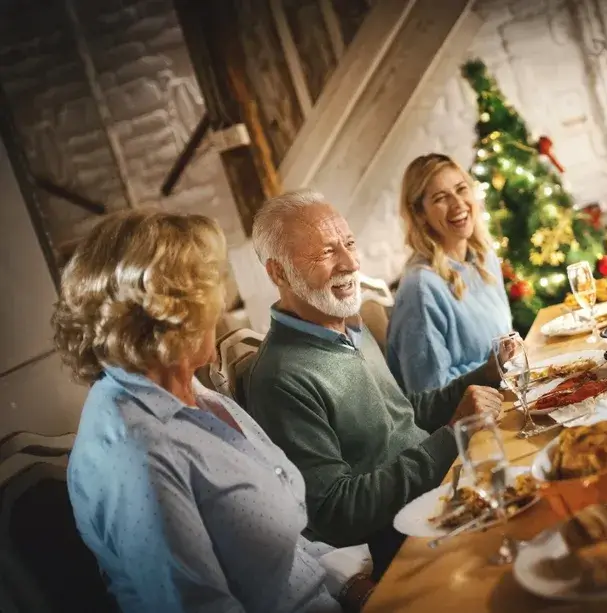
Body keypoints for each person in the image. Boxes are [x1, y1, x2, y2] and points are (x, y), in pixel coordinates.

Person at [54, 210, 373, 613]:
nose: (221, 299)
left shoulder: (195, 392)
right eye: (207, 286)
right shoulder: (133, 455)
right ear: (164, 312)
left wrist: (352, 587)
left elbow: (281, 541)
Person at [243, 189, 505, 577]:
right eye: (326, 253)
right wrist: (452, 437)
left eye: (348, 244)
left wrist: (485, 374)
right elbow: (336, 511)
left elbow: (400, 413)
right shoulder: (278, 377)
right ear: (278, 272)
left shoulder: (345, 324)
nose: (349, 263)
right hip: (408, 549)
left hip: (448, 497)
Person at [387, 153, 513, 393]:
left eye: (461, 189)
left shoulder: (483, 258)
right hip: (468, 423)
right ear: (420, 214)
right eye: (440, 198)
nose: (458, 204)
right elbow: (429, 395)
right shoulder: (421, 288)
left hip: (506, 394)